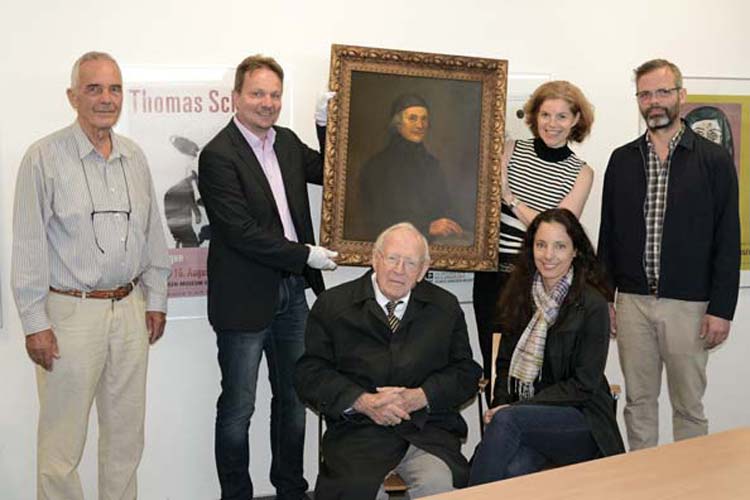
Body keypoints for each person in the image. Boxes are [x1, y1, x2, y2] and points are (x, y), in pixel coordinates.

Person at [11, 51, 171, 500]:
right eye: (94, 88)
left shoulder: (134, 157)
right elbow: (27, 245)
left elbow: (152, 234)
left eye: (114, 88)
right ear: (72, 96)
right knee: (62, 445)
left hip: (129, 312)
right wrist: (34, 324)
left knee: (125, 439)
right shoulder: (43, 158)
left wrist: (155, 298)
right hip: (69, 315)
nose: (106, 98)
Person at [198, 54, 338, 500]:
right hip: (244, 299)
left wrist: (324, 123)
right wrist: (305, 255)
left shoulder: (288, 143)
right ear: (236, 97)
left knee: (295, 401)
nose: (267, 103)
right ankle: (236, 494)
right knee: (239, 408)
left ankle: (291, 490)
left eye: (275, 94)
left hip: (292, 294)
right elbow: (240, 232)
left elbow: (333, 170)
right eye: (257, 93)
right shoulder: (218, 155)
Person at [598, 58, 740, 450]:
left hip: (690, 306)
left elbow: (728, 237)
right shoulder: (622, 160)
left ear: (681, 95)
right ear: (638, 101)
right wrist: (604, 297)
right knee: (638, 403)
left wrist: (722, 308)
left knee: (688, 407)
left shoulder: (713, 160)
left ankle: (689, 487)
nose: (654, 101)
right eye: (645, 94)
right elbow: (607, 234)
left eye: (662, 92)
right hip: (632, 303)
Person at [295, 222, 482, 500]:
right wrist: (362, 401)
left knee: (440, 485)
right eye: (393, 258)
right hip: (358, 432)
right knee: (358, 492)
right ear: (375, 259)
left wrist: (421, 396)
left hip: (426, 430)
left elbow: (466, 372)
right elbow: (310, 373)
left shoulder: (445, 307)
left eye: (410, 263)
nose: (399, 270)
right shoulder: (333, 305)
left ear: (422, 271)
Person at [469, 208, 624, 485]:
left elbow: (584, 384)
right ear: (531, 249)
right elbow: (503, 364)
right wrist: (503, 402)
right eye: (541, 245)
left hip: (581, 420)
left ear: (576, 250)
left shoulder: (592, 304)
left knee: (507, 423)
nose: (548, 255)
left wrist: (516, 409)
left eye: (559, 246)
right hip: (526, 421)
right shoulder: (519, 294)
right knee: (512, 470)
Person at [472, 80, 595, 401]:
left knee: (538, 369)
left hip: (540, 281)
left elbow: (556, 228)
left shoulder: (582, 173)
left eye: (562, 116)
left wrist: (512, 200)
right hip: (493, 277)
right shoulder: (510, 150)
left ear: (576, 121)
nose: (552, 124)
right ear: (534, 116)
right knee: (496, 367)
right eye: (546, 115)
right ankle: (498, 427)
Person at [354, 94, 465, 241]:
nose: (420, 125)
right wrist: (427, 227)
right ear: (398, 123)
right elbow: (380, 220)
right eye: (412, 118)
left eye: (424, 119)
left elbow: (445, 206)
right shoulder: (378, 166)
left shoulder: (432, 164)